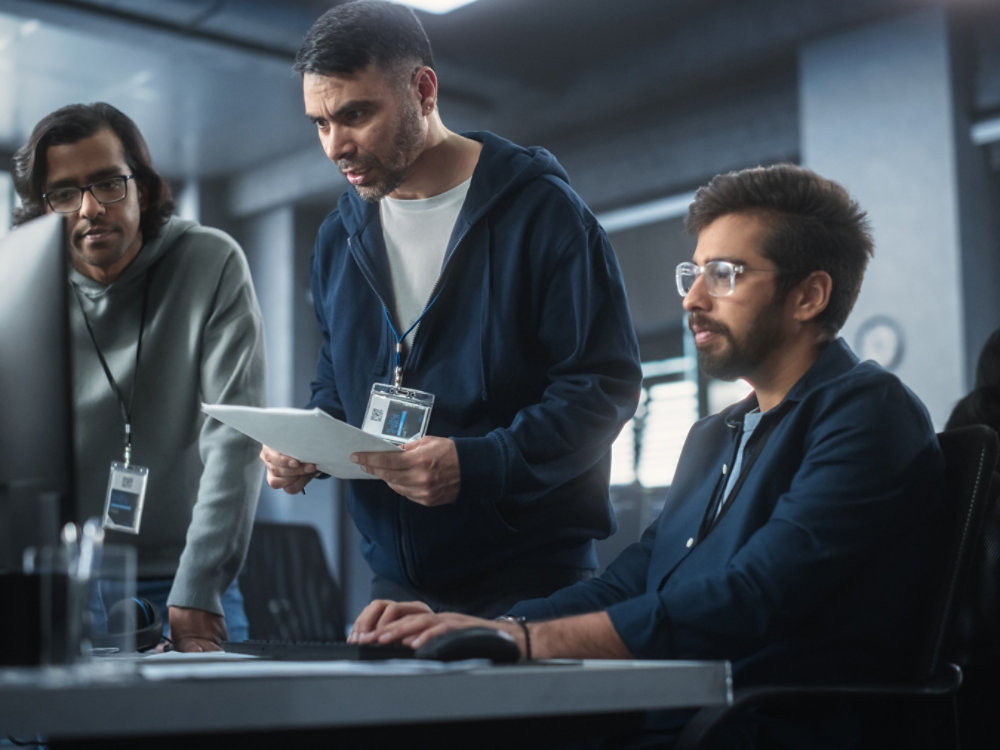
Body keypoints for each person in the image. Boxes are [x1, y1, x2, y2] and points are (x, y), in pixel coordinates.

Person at [350, 163, 946, 747]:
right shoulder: (717, 434)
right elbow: (636, 578)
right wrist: (501, 627)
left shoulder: (867, 412)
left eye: (726, 274)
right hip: (679, 714)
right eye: (694, 273)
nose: (693, 299)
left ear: (810, 295)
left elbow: (755, 598)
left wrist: (528, 645)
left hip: (770, 726)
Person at [260, 0, 641, 617]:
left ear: (424, 89)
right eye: (320, 123)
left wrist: (482, 464)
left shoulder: (543, 213)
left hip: (532, 580)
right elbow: (340, 376)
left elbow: (602, 387)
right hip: (395, 584)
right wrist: (309, 443)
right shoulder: (339, 236)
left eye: (355, 114)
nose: (336, 145)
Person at [11, 102, 267, 652]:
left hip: (183, 580)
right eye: (63, 194)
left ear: (142, 190)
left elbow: (236, 440)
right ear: (42, 207)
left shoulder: (210, 261)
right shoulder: (20, 291)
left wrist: (198, 589)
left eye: (107, 183)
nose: (88, 209)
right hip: (62, 578)